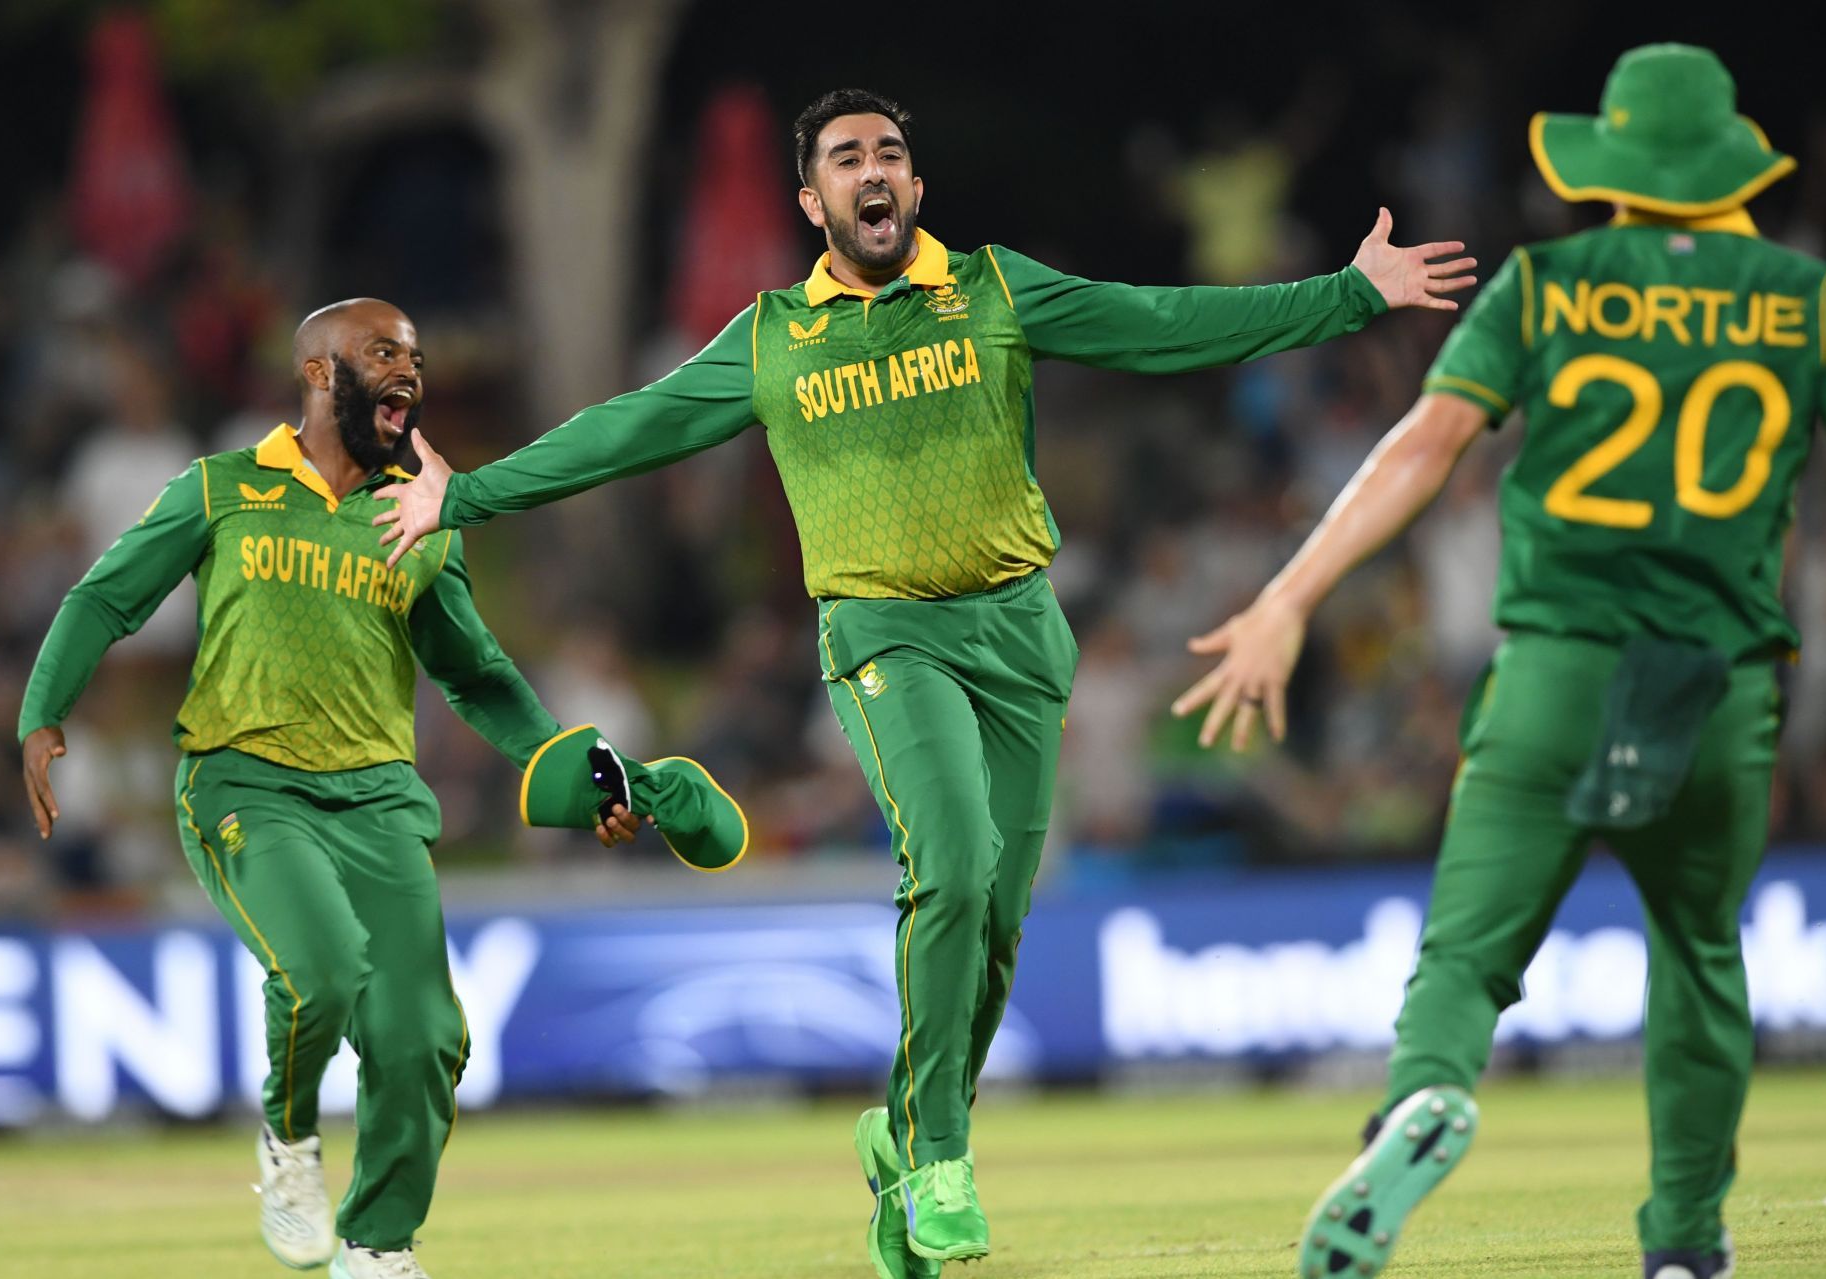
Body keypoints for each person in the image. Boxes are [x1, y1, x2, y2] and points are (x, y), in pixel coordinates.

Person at [372, 88, 1473, 1274]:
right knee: (948, 864)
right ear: (814, 201)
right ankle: (944, 1154)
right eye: (847, 158)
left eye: (890, 153)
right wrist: (464, 492)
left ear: (916, 187)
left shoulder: (993, 290)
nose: (873, 170)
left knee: (997, 919)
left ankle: (899, 1136)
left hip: (1019, 633)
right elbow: (623, 429)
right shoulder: (771, 338)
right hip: (888, 635)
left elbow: (1162, 322)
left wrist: (1352, 292)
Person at [1173, 44, 1826, 1279]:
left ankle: (1424, 1095)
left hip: (1557, 664)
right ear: (1723, 168)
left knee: (1465, 949)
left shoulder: (1548, 285)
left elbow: (1423, 447)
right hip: (1718, 683)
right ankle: (1681, 1245)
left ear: (1609, 164)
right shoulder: (1813, 303)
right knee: (1702, 960)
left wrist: (1287, 595)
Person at [18, 298, 738, 1279]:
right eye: (382, 352)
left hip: (379, 804)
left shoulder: (421, 518)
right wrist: (43, 711)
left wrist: (573, 769)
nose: (409, 370)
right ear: (319, 375)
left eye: (417, 355)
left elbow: (478, 675)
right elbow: (105, 595)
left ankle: (377, 1248)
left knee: (425, 1038)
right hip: (246, 784)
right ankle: (288, 1140)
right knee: (320, 970)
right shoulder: (223, 488)